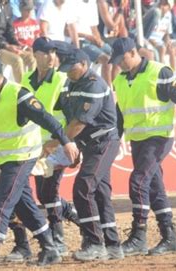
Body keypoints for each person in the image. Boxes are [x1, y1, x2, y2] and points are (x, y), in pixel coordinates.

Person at [0, 56, 79, 270]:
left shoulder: (19, 95)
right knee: (23, 204)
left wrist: (66, 142)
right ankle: (50, 247)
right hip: (1, 160)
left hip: (22, 157)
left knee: (1, 202)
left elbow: (47, 119)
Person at [109, 37, 176, 256]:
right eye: (116, 60)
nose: (119, 64)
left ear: (133, 52)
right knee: (154, 187)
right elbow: (120, 113)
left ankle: (139, 236)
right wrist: (115, 139)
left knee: (138, 182)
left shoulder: (159, 72)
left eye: (122, 59)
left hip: (158, 137)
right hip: (137, 140)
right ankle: (170, 237)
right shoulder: (120, 80)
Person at [44, 48, 124, 261]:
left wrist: (55, 143)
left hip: (103, 142)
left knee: (83, 187)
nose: (68, 73)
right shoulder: (72, 84)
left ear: (84, 64)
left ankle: (95, 243)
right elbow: (66, 117)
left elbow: (78, 123)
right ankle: (112, 243)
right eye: (66, 70)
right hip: (89, 145)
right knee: (100, 191)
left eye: (72, 69)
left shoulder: (94, 85)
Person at [12, 37, 79, 260]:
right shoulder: (26, 81)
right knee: (43, 193)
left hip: (59, 144)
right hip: (36, 148)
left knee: (48, 191)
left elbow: (72, 117)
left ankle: (58, 239)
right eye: (46, 52)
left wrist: (56, 142)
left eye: (53, 52)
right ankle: (69, 213)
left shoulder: (62, 79)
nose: (51, 57)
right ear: (35, 54)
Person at [0, 0, 36, 82]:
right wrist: (6, 46)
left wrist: (19, 45)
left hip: (7, 44)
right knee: (17, 60)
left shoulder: (8, 6)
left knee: (31, 58)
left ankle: (32, 84)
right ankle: (22, 89)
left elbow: (10, 31)